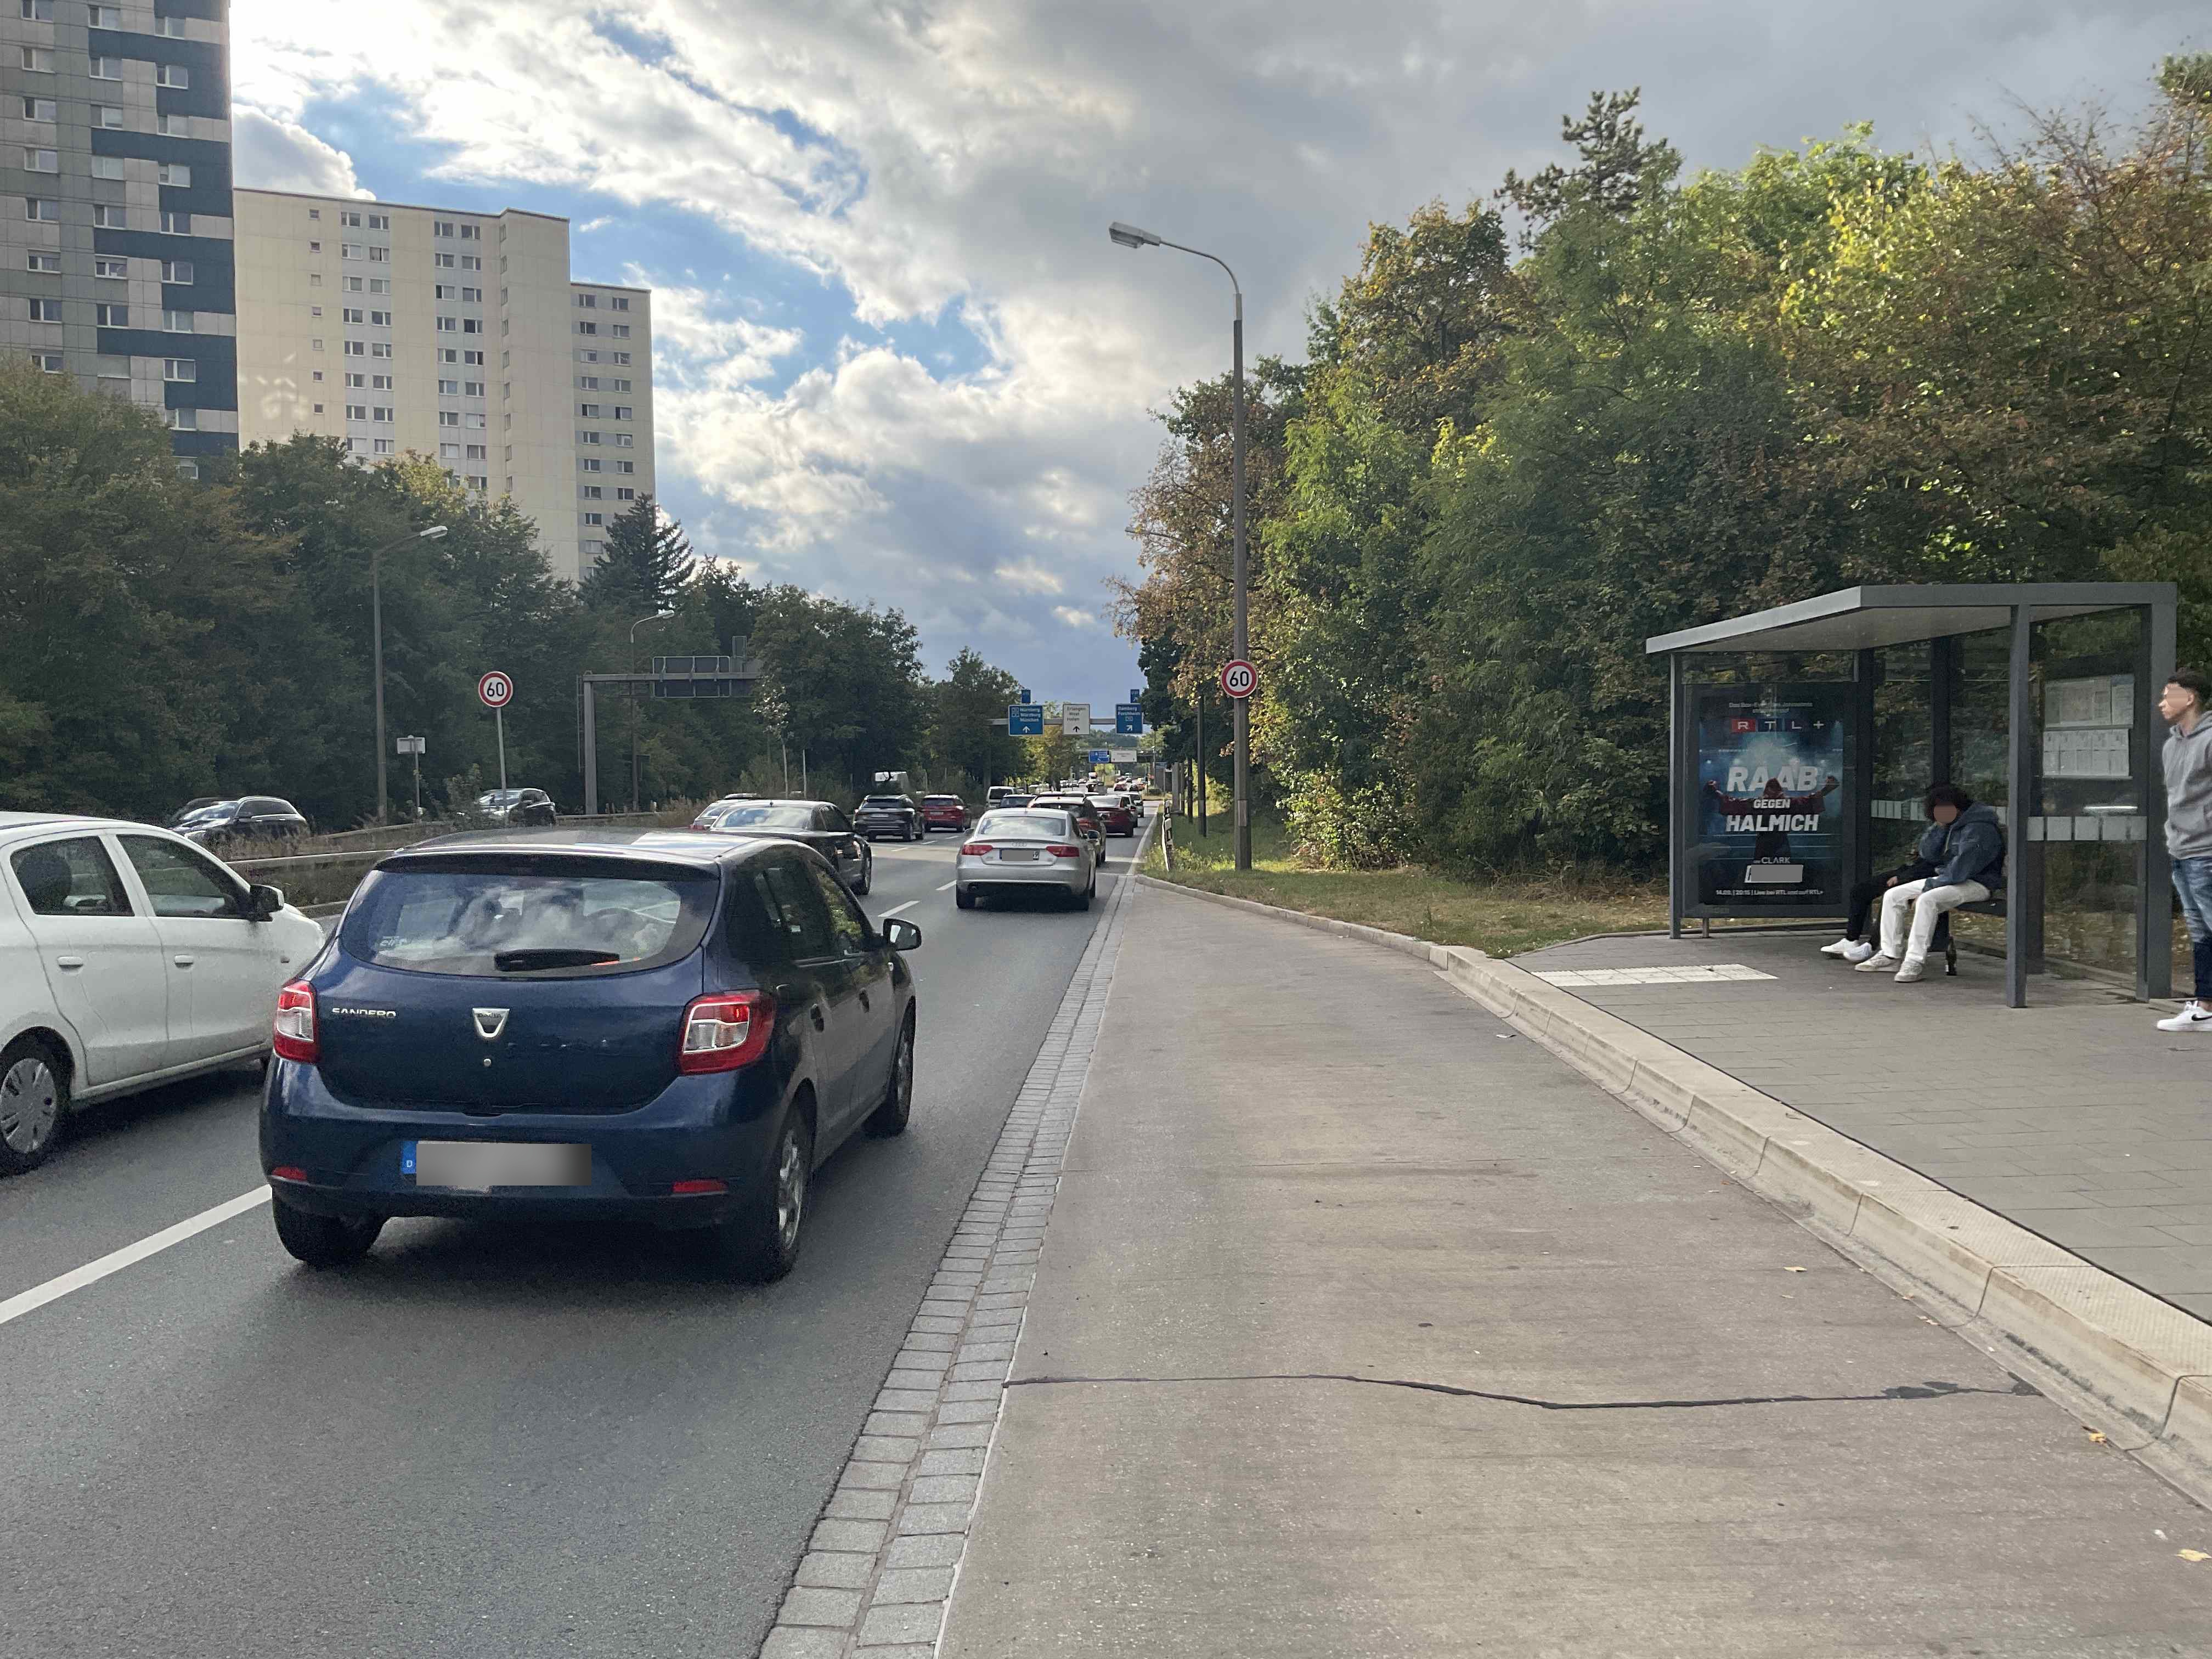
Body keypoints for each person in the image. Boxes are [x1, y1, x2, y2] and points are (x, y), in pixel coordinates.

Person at [1848, 783, 2006, 983]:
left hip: (1978, 883)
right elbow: (1929, 855)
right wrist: (1939, 828)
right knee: (1893, 895)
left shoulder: (1979, 828)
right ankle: (1890, 955)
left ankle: (1914, 961)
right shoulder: (1952, 824)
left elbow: (1963, 868)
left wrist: (1930, 887)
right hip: (1948, 878)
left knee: (1927, 900)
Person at [2155, 668, 2212, 1032]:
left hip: (2207, 850)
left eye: (2168, 696)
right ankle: (2204, 1007)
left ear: (2189, 698)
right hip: (2181, 850)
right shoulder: (2171, 744)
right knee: (2200, 930)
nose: (2162, 703)